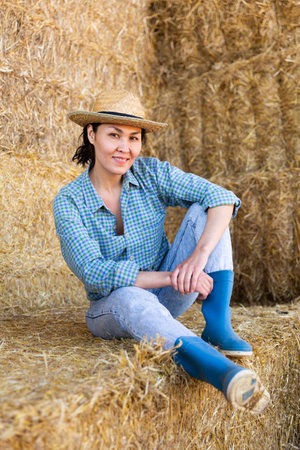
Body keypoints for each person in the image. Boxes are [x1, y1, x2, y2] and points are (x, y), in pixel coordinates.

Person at [53, 90, 270, 413]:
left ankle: (218, 325)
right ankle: (224, 373)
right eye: (114, 135)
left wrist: (197, 259)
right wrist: (172, 275)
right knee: (130, 295)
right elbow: (95, 273)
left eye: (134, 138)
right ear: (91, 134)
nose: (125, 148)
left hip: (173, 292)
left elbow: (223, 197)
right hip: (111, 308)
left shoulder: (152, 173)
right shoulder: (69, 201)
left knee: (206, 208)